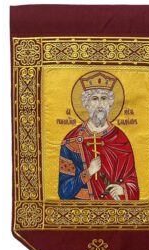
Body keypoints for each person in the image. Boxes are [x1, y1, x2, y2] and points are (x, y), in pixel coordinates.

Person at [58, 71, 139, 200]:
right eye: (95, 98)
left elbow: (133, 184)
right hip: (80, 208)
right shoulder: (71, 142)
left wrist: (123, 189)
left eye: (104, 98)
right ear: (86, 103)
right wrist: (89, 172)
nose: (100, 104)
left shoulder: (120, 139)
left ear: (110, 103)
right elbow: (63, 191)